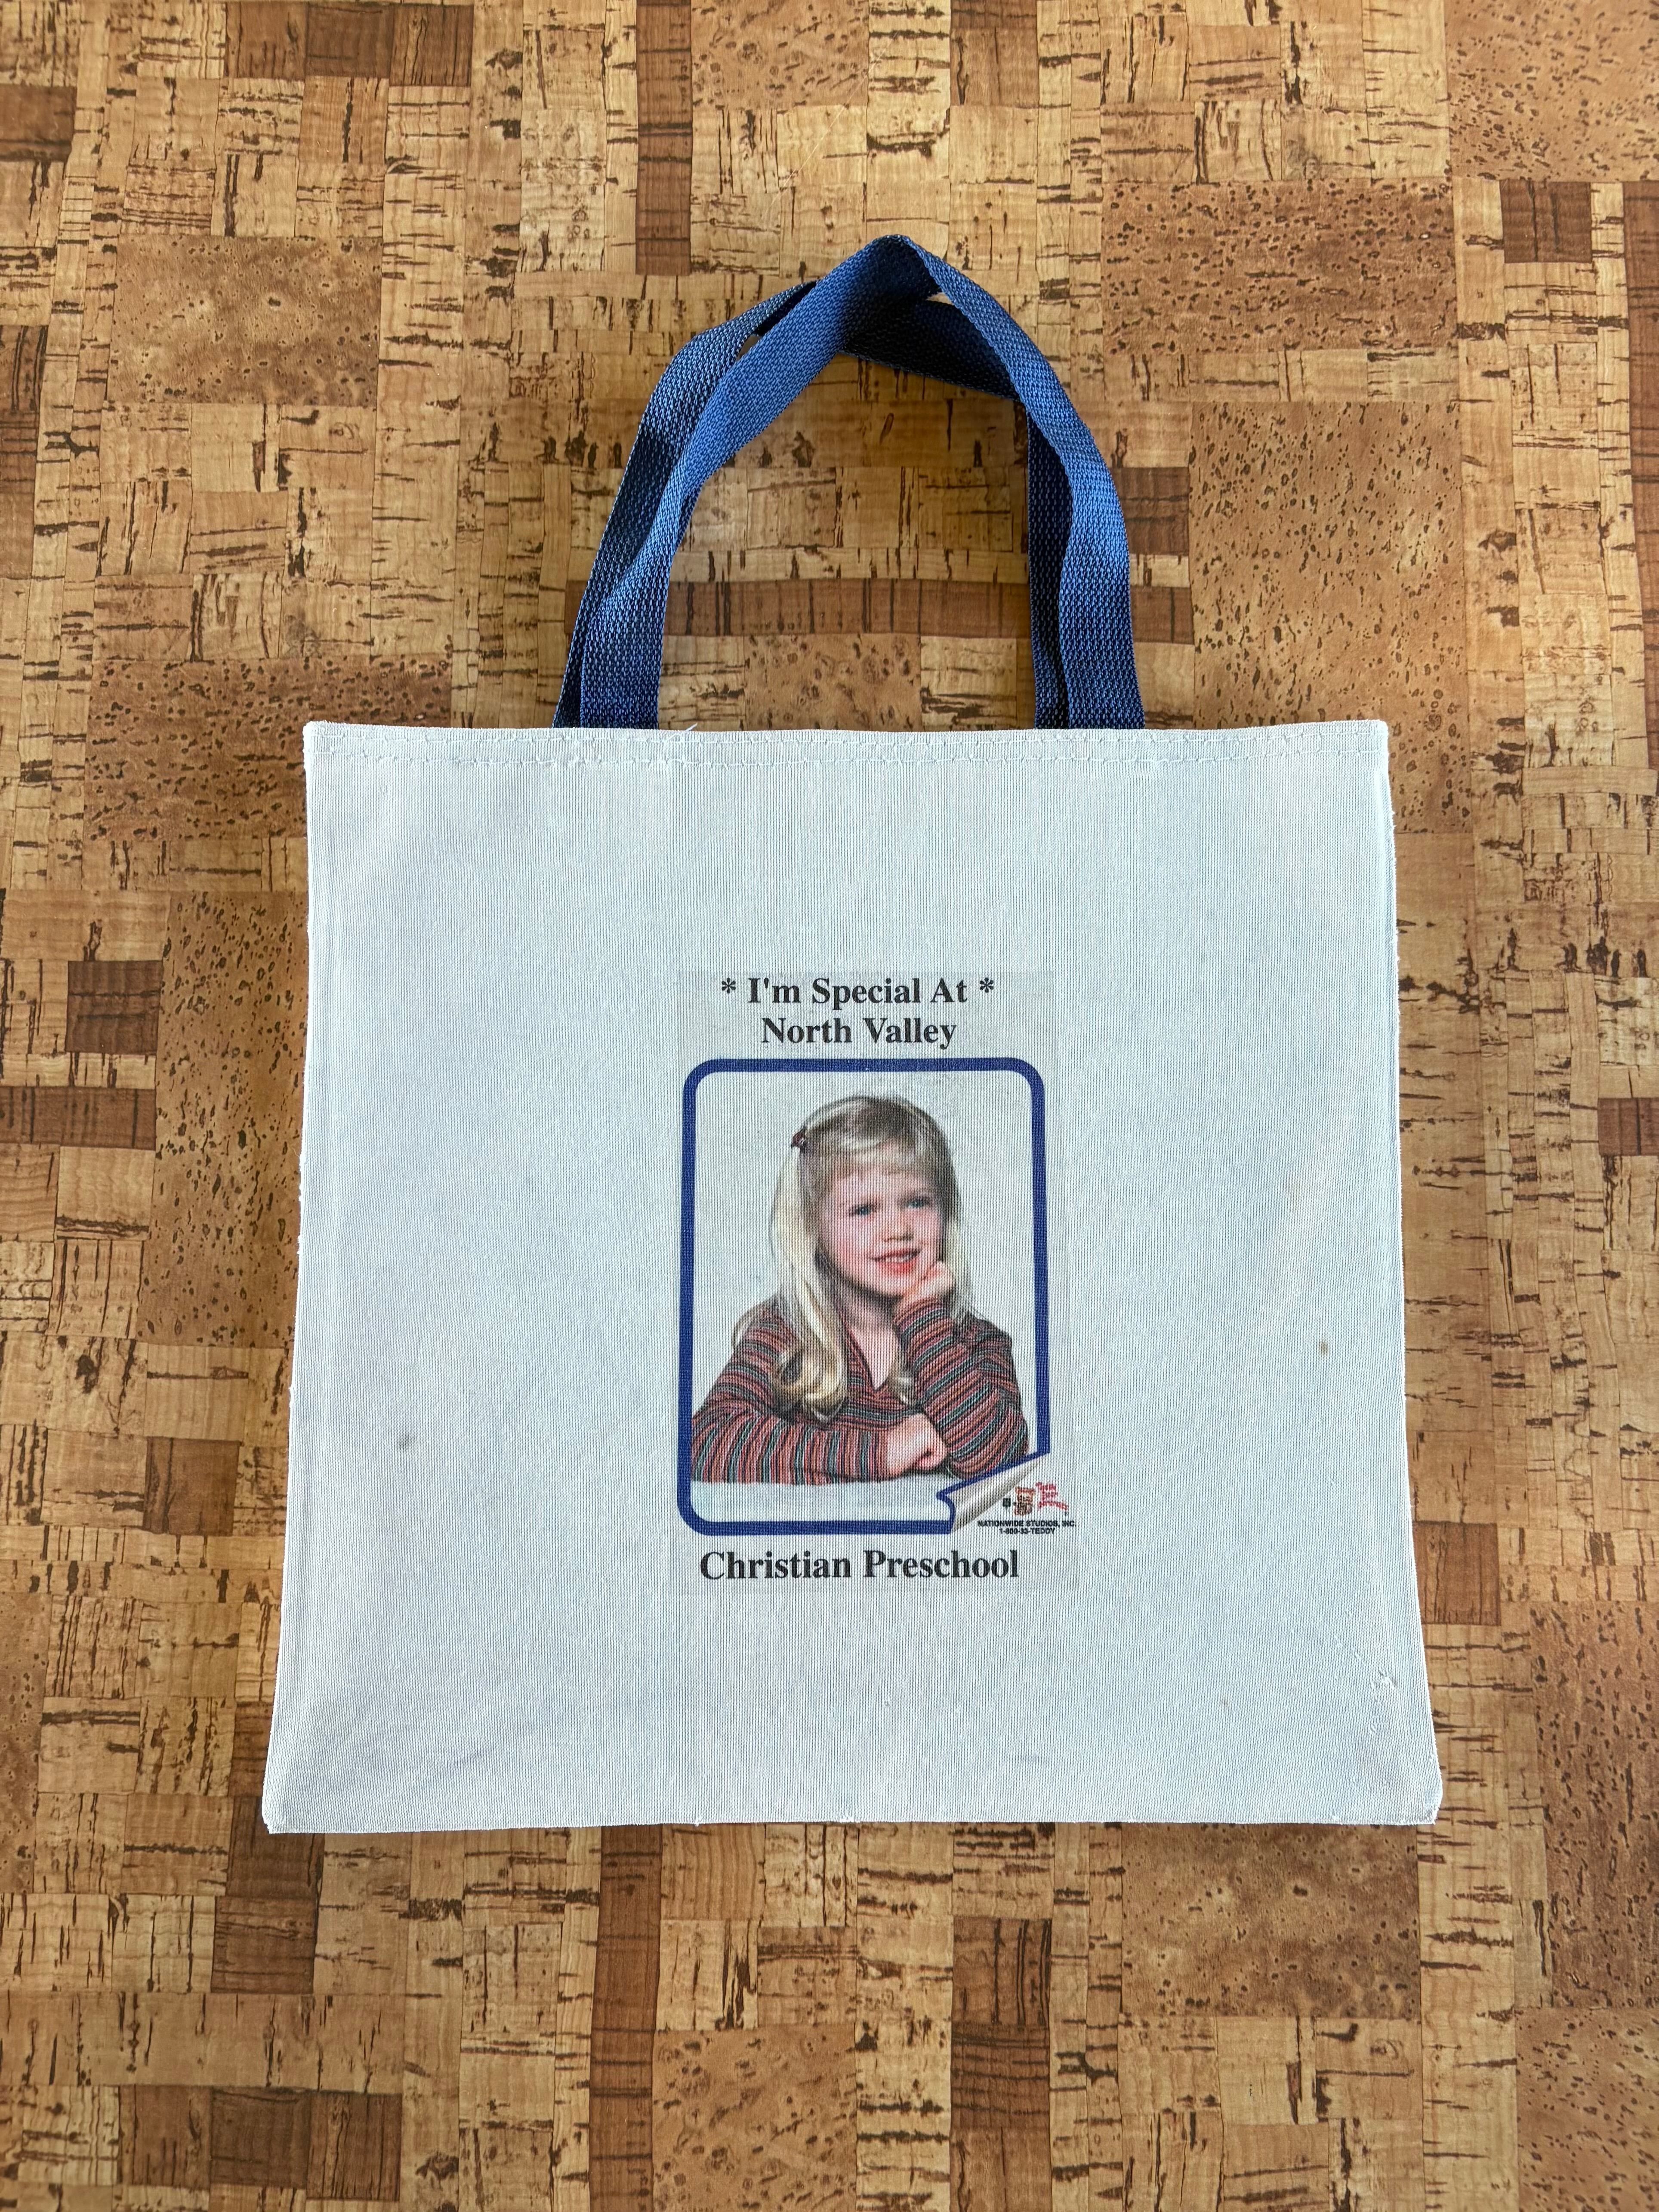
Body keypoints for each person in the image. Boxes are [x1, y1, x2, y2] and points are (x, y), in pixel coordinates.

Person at [690, 1093, 1029, 1485]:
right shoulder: (787, 1333)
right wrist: (882, 1452)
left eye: (918, 1202)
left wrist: (922, 1316)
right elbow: (704, 1443)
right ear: (812, 1230)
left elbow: (1001, 1465)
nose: (898, 1229)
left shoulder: (977, 1342)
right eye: (864, 1209)